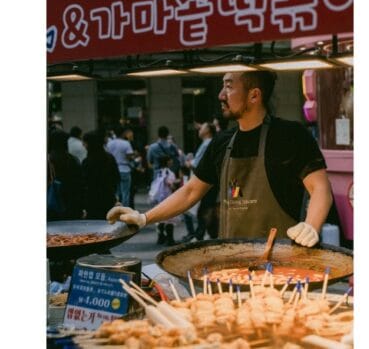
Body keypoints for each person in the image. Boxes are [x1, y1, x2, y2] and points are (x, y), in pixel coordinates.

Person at [107, 71, 333, 246]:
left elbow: (320, 188)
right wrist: (144, 217)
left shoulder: (290, 135)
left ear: (254, 95)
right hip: (231, 264)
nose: (220, 95)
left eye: (228, 86)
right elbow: (191, 191)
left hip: (283, 265)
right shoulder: (222, 142)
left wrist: (311, 226)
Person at [188, 122, 219, 241]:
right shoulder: (207, 143)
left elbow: (197, 164)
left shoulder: (207, 144)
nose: (200, 129)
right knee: (207, 207)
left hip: (206, 182)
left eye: (203, 127)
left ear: (208, 131)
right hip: (209, 182)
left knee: (204, 209)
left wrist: (189, 163)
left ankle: (201, 234)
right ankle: (208, 233)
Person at [47, 129, 85, 221]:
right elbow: (79, 182)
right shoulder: (72, 160)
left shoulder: (49, 159)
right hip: (71, 202)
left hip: (52, 201)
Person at [81, 130, 120, 219]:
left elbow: (84, 183)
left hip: (92, 200)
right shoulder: (109, 158)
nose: (83, 145)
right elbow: (116, 178)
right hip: (108, 198)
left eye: (85, 143)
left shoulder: (87, 162)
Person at [148, 155, 179, 246]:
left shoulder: (158, 172)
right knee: (169, 218)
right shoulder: (169, 173)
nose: (172, 161)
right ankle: (170, 239)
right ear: (167, 162)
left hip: (159, 199)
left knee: (160, 218)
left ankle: (160, 237)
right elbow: (171, 185)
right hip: (168, 198)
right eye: (170, 160)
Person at [106, 126, 135, 208]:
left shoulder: (110, 143)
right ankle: (124, 209)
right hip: (125, 169)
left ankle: (115, 208)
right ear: (124, 133)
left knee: (116, 191)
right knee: (125, 192)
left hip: (113, 168)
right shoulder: (126, 143)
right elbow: (129, 156)